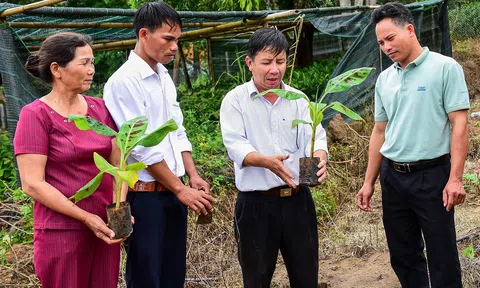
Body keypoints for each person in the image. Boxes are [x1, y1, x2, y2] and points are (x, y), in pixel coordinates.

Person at [356, 2, 469, 287]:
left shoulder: (445, 68)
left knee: (442, 253)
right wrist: (369, 182)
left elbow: (460, 125)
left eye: (390, 38)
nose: (386, 47)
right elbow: (379, 132)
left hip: (432, 176)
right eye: (381, 42)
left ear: (410, 29)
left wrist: (455, 178)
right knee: (403, 253)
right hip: (393, 178)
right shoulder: (385, 79)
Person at [103, 2, 216, 287]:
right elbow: (141, 146)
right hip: (145, 198)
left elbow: (177, 130)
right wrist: (181, 189)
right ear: (144, 34)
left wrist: (192, 175)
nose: (175, 46)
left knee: (172, 275)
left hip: (172, 192)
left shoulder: (163, 76)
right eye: (168, 38)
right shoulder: (123, 82)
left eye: (177, 39)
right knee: (146, 277)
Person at [219, 27, 328, 288]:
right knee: (256, 278)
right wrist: (266, 161)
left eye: (280, 61)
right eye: (266, 62)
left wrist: (319, 159)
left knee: (306, 276)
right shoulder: (235, 101)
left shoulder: (299, 100)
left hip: (298, 202)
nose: (274, 69)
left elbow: (316, 138)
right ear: (250, 63)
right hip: (256, 205)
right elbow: (235, 145)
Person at [14, 32, 123, 288]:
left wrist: (120, 208)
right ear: (57, 69)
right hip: (61, 233)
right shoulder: (35, 115)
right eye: (84, 63)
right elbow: (32, 183)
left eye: (92, 62)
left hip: (105, 228)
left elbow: (119, 164)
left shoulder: (101, 109)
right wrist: (86, 217)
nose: (91, 70)